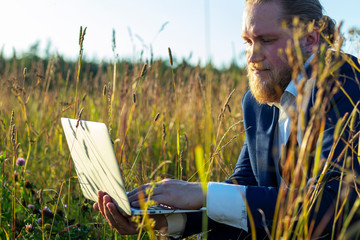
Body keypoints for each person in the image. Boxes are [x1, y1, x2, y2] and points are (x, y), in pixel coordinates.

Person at [94, 0, 360, 239]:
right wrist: (164, 220)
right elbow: (245, 186)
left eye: (266, 40)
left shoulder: (346, 85)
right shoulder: (258, 102)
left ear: (310, 40)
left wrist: (203, 192)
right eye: (247, 41)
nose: (253, 56)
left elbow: (336, 203)